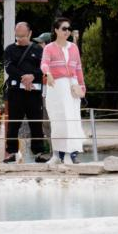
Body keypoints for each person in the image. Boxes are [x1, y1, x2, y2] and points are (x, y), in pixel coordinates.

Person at [40, 17, 86, 164]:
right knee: (57, 121)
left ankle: (68, 155)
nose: (67, 31)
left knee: (72, 121)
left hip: (72, 87)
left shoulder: (73, 47)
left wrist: (82, 86)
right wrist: (48, 73)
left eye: (69, 29)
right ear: (56, 30)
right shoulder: (49, 48)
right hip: (56, 86)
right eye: (64, 28)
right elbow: (44, 63)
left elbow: (78, 68)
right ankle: (56, 155)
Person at [2, 22, 48, 162]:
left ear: (30, 34)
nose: (20, 39)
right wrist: (24, 78)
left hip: (34, 92)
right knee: (14, 123)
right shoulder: (10, 49)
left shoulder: (38, 50)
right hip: (16, 91)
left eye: (23, 36)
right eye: (17, 36)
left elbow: (43, 68)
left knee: (36, 122)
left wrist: (32, 76)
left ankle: (39, 152)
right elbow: (9, 67)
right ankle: (11, 152)